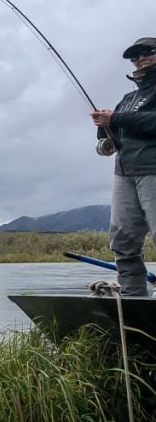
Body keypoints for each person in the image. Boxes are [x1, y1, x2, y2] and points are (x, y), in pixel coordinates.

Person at [91, 37, 156, 296]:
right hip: (124, 173)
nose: (139, 59)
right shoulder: (128, 98)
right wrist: (104, 127)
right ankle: (132, 304)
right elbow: (111, 136)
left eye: (146, 53)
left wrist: (116, 118)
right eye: (134, 57)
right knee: (123, 240)